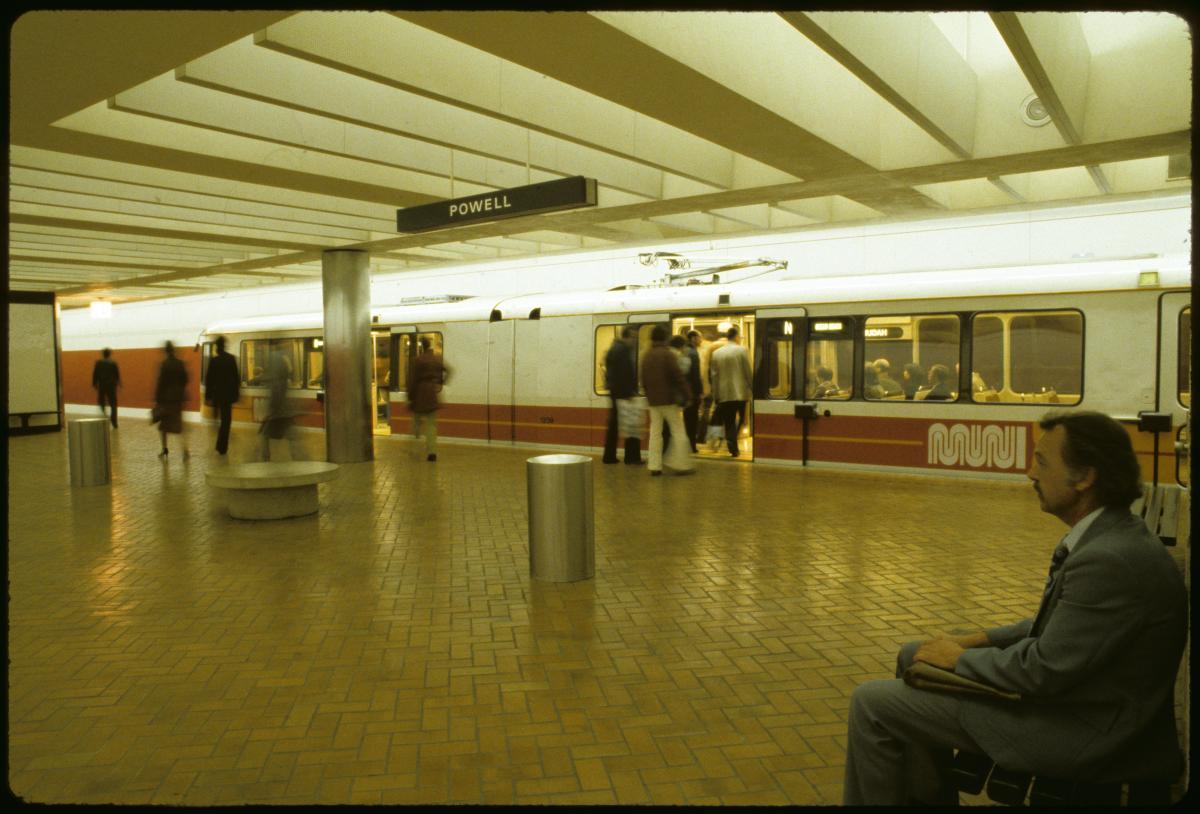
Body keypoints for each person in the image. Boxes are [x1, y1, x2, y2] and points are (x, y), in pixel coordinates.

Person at [843, 411, 1187, 806]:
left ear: (1085, 477)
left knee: (871, 704)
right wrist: (977, 640)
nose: (1030, 474)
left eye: (1042, 462)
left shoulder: (1108, 560)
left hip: (1087, 733)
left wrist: (959, 659)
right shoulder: (1113, 536)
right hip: (1089, 706)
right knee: (914, 655)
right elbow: (1064, 628)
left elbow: (1043, 670)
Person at [640, 325, 694, 476]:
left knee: (655, 433)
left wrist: (649, 395)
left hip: (653, 401)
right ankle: (681, 464)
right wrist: (688, 395)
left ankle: (654, 466)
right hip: (669, 400)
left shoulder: (647, 355)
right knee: (678, 431)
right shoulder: (667, 354)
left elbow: (643, 380)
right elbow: (678, 377)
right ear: (665, 338)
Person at [709, 326, 752, 458]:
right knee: (742, 419)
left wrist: (716, 394)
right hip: (740, 393)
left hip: (724, 394)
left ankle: (732, 445)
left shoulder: (717, 353)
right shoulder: (742, 350)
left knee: (729, 421)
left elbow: (714, 376)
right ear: (736, 336)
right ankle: (733, 441)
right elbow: (747, 371)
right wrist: (752, 387)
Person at [602, 327, 643, 465]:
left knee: (614, 426)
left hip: (615, 392)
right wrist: (630, 392)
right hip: (623, 393)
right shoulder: (623, 350)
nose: (634, 341)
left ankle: (609, 456)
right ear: (627, 337)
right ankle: (632, 458)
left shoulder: (613, 348)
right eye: (633, 337)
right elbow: (625, 373)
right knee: (631, 424)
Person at [408, 337, 449, 462]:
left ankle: (415, 449)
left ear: (422, 346)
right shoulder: (436, 359)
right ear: (429, 345)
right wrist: (441, 382)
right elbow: (449, 371)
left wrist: (410, 397)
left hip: (419, 394)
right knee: (431, 426)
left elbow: (413, 380)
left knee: (416, 424)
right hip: (431, 394)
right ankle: (432, 452)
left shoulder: (418, 360)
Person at [259, 349, 303, 461]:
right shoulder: (284, 380)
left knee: (264, 436)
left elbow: (276, 399)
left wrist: (269, 414)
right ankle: (298, 458)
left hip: (277, 415)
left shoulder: (276, 382)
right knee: (292, 437)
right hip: (285, 414)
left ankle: (265, 460)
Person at [152, 340, 189, 458]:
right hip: (178, 399)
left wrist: (157, 399)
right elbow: (185, 379)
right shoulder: (180, 363)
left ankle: (164, 449)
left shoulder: (164, 364)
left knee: (163, 426)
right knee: (179, 425)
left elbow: (161, 382)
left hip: (166, 400)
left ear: (166, 351)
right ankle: (185, 450)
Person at [204, 336, 240, 456]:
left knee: (216, 419)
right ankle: (222, 446)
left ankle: (218, 442)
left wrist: (207, 397)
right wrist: (236, 395)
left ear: (217, 347)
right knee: (226, 421)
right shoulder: (231, 359)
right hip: (228, 397)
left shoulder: (214, 361)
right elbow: (236, 378)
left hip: (217, 396)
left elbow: (209, 380)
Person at [682, 331, 703, 452]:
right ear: (693, 338)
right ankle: (692, 446)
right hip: (692, 392)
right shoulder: (693, 353)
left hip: (686, 391)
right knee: (692, 420)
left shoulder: (685, 351)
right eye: (700, 337)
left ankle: (688, 444)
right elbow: (695, 375)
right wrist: (699, 392)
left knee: (687, 419)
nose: (701, 340)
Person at [91, 347, 121, 428]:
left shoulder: (98, 363)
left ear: (103, 354)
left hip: (102, 385)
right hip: (111, 386)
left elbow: (95, 374)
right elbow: (117, 374)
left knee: (101, 401)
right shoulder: (113, 363)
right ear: (109, 354)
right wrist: (119, 384)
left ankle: (105, 415)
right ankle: (114, 421)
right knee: (113, 404)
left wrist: (94, 383)